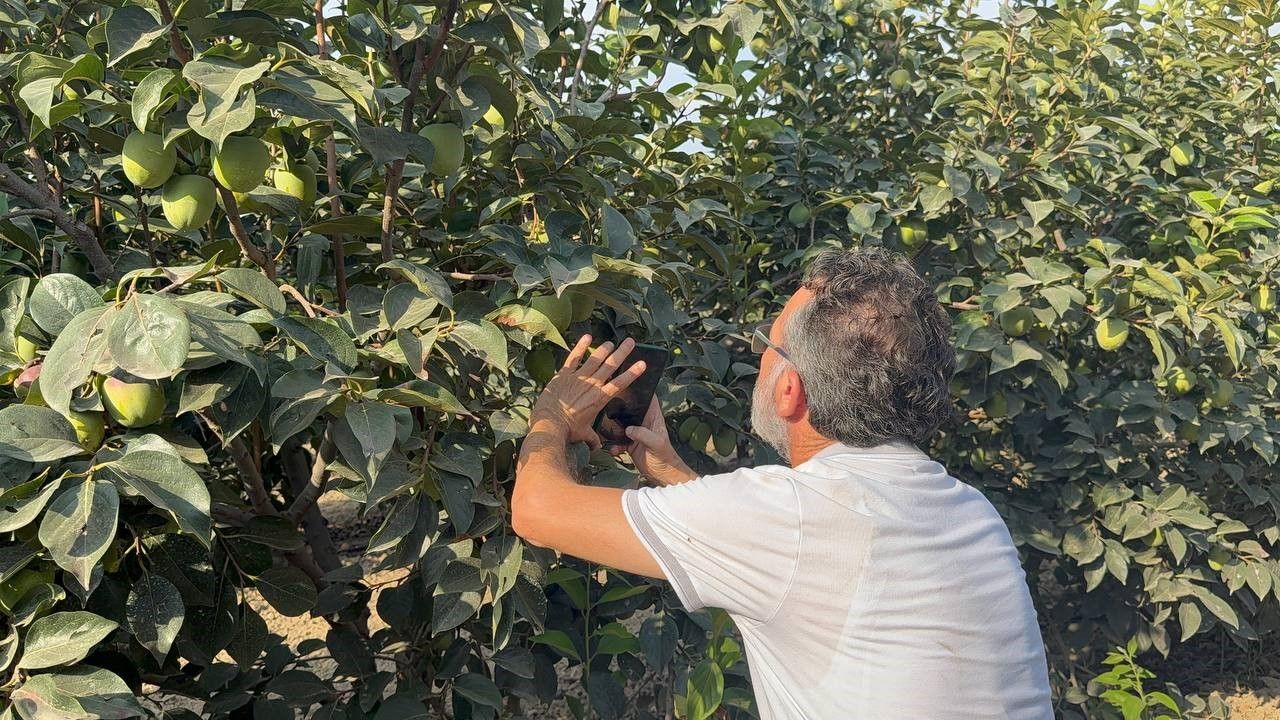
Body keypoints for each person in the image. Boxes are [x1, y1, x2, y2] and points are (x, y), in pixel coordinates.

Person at [512, 247, 1054, 719]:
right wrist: (670, 473)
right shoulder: (971, 511)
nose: (759, 360)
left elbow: (536, 510)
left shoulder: (787, 514)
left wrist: (554, 412)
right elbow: (795, 566)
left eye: (766, 347)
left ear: (789, 389)